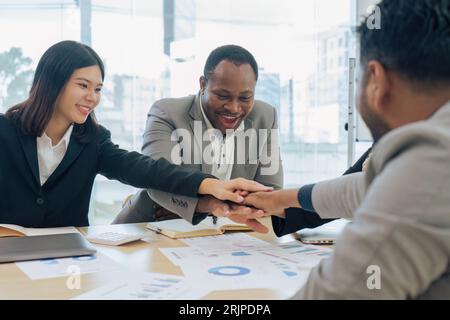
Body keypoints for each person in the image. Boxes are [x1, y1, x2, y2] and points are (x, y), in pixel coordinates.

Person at [244, 0, 450, 299]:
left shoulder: (433, 157)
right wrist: (281, 199)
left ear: (377, 80)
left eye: (357, 80)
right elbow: (369, 187)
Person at [0, 40, 272, 228]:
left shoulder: (92, 141)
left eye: (98, 89)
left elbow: (148, 170)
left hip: (69, 260)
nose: (92, 97)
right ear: (52, 83)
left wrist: (212, 185)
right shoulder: (4, 132)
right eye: (83, 85)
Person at [113, 44, 283, 232]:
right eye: (223, 95)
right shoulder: (167, 113)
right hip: (149, 227)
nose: (234, 108)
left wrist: (213, 207)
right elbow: (157, 179)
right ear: (203, 84)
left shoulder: (265, 116)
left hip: (230, 234)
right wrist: (205, 206)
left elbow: (270, 190)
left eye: (244, 98)